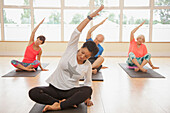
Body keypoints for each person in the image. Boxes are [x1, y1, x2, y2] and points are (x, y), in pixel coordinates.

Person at [29, 5, 104, 112]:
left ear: (90, 57)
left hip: (70, 91)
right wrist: (90, 17)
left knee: (88, 90)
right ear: (81, 47)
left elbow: (87, 82)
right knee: (33, 92)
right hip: (54, 88)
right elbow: (77, 31)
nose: (82, 56)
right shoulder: (71, 49)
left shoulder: (87, 65)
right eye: (82, 52)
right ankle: (60, 102)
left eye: (86, 56)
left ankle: (59, 105)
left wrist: (87, 98)